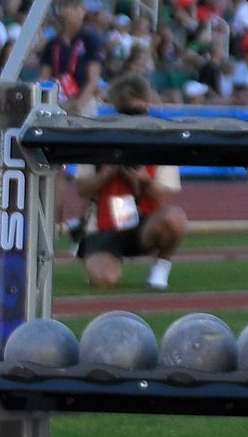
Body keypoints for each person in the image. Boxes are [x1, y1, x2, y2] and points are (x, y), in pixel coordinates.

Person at [69, 77, 185, 290]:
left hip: (142, 223)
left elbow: (160, 195)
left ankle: (160, 267)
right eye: (128, 112)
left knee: (175, 218)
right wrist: (107, 172)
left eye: (138, 111)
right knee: (105, 281)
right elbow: (82, 189)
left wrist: (141, 180)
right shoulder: (98, 138)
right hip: (103, 225)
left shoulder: (160, 139)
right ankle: (94, 255)